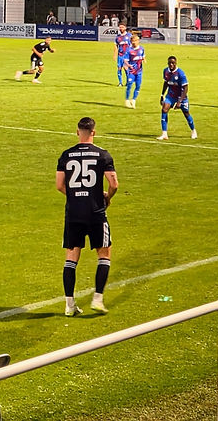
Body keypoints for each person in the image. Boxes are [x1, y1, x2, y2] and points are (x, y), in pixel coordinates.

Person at [56, 116, 118, 316]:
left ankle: (69, 305)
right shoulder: (102, 155)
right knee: (104, 253)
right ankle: (97, 299)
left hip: (73, 213)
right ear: (94, 132)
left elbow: (59, 185)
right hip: (95, 212)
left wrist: (76, 196)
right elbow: (114, 184)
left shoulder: (66, 155)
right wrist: (107, 197)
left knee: (71, 257)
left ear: (77, 132)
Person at [157, 55, 197, 140]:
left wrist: (180, 101)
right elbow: (166, 83)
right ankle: (164, 134)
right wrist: (162, 95)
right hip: (171, 95)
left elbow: (185, 88)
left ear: (176, 63)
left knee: (186, 113)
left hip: (181, 96)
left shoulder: (180, 74)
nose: (171, 64)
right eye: (169, 63)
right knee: (164, 109)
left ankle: (193, 130)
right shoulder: (165, 71)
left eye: (173, 63)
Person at [123, 31, 144, 108]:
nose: (134, 42)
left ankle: (133, 100)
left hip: (139, 71)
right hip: (131, 72)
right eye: (132, 41)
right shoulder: (129, 50)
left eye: (135, 41)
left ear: (138, 41)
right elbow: (125, 60)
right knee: (129, 85)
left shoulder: (141, 49)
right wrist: (128, 65)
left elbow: (142, 56)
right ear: (131, 42)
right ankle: (127, 100)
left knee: (138, 86)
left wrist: (143, 59)